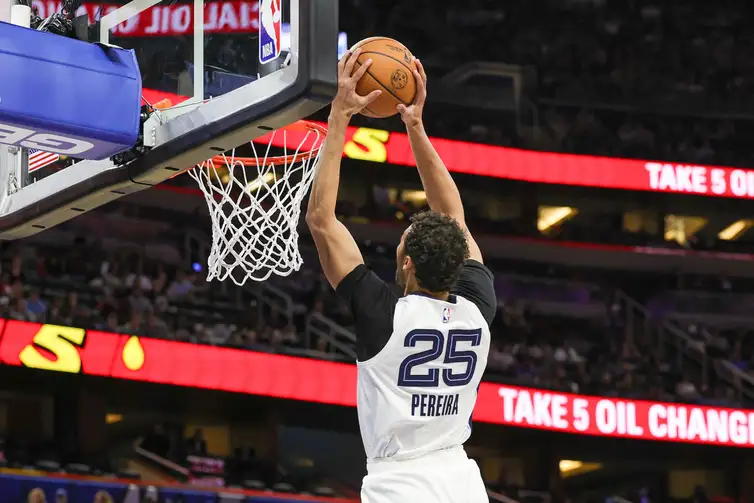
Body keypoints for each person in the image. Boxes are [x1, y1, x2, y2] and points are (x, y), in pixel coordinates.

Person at [306, 48, 496, 503]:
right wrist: (415, 125)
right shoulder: (477, 309)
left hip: (402, 485)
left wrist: (339, 116)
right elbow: (453, 214)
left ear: (406, 262)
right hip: (460, 479)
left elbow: (321, 220)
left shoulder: (384, 317)